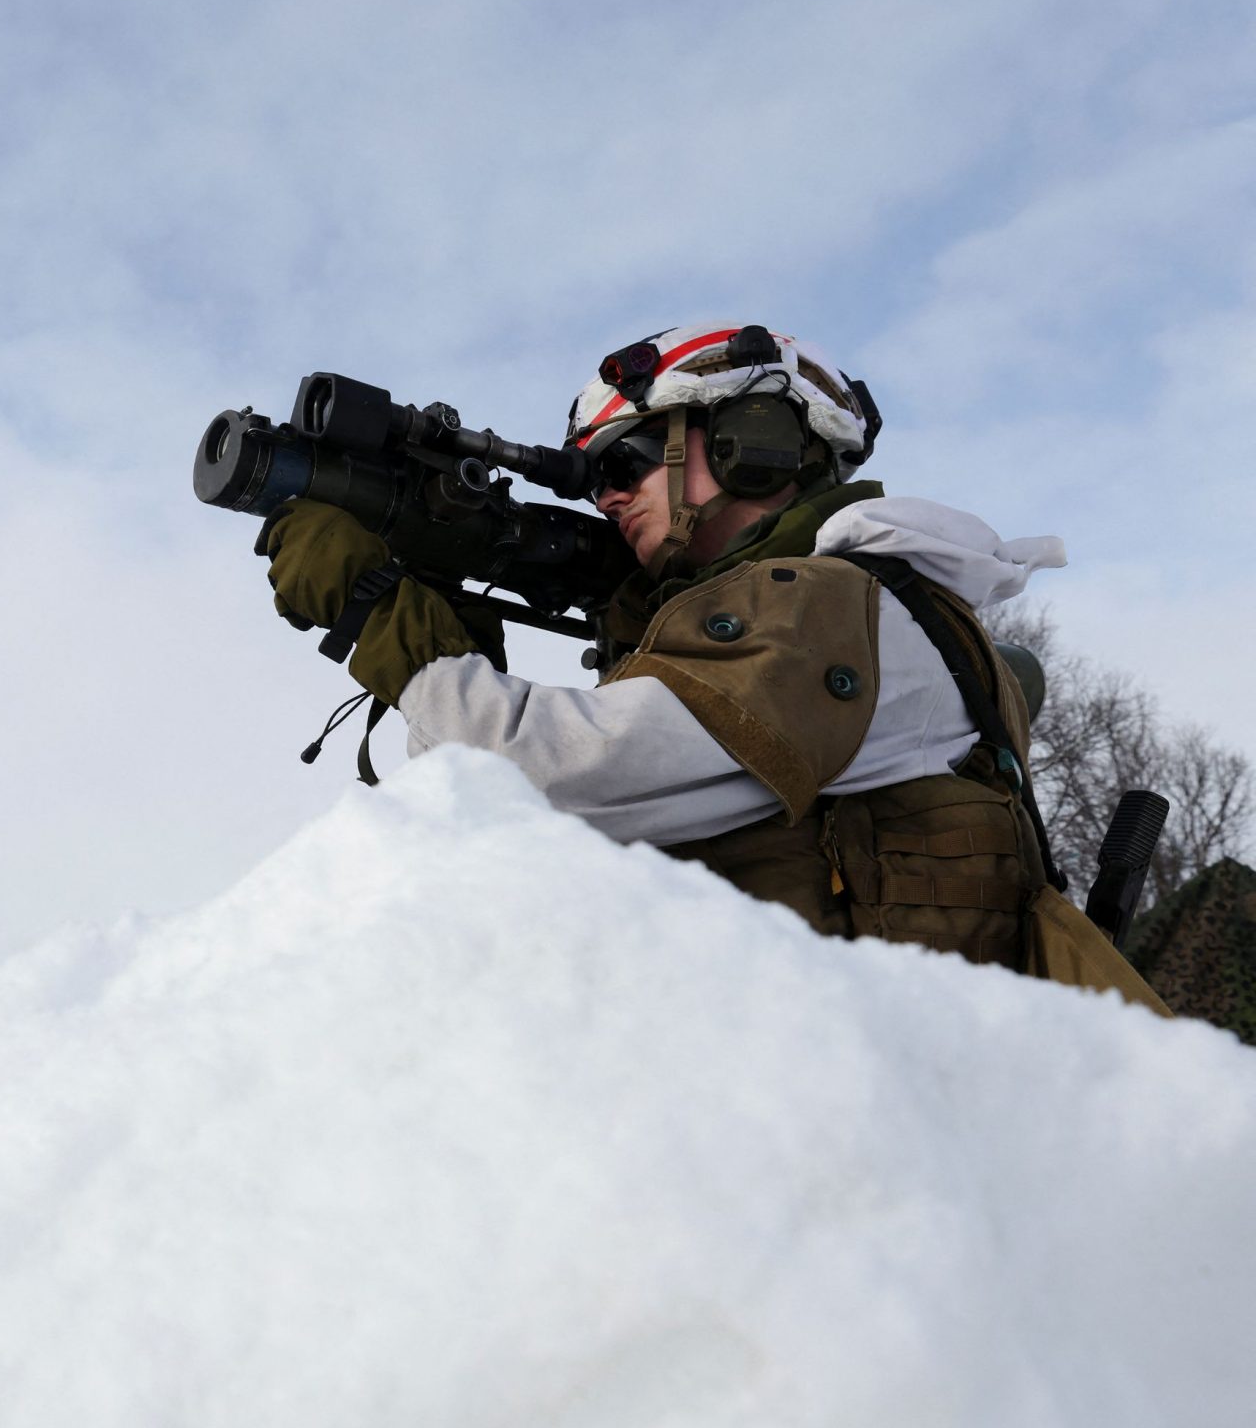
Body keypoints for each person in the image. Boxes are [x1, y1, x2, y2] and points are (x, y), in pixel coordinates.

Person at [262, 321, 1158, 996]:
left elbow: (537, 782)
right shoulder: (891, 601)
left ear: (750, 444)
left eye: (632, 462)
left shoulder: (829, 603)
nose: (606, 496)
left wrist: (383, 620)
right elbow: (504, 835)